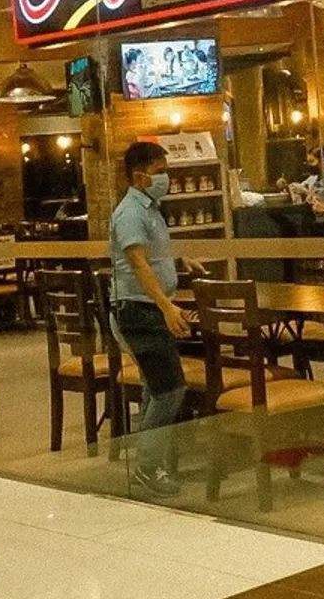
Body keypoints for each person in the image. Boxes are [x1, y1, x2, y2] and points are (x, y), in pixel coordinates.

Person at [109, 140, 190, 498]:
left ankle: (149, 462)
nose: (165, 178)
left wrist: (179, 261)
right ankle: (147, 467)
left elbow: (153, 254)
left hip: (148, 307)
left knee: (155, 388)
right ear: (140, 174)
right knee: (170, 390)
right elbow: (138, 262)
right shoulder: (130, 212)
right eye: (160, 171)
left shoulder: (151, 208)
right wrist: (166, 307)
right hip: (139, 310)